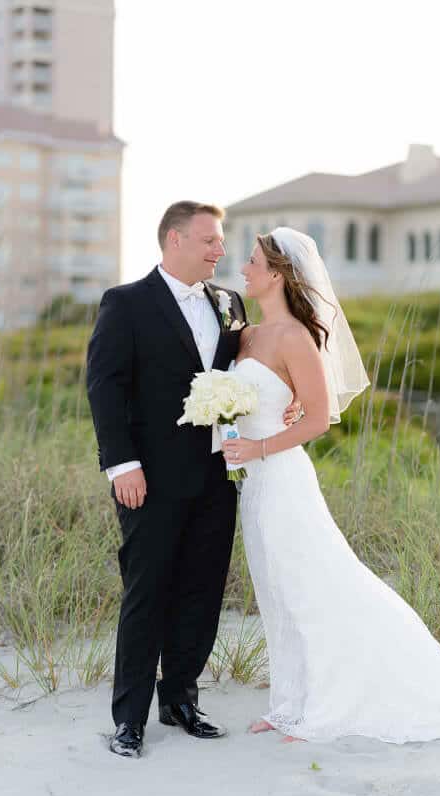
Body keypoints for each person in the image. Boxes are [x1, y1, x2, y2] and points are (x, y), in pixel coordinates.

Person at [220, 227, 440, 744]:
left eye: (254, 261)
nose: (244, 268)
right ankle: (287, 703)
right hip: (252, 487)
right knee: (274, 592)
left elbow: (318, 420)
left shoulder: (296, 339)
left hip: (282, 480)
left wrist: (258, 448)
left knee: (308, 588)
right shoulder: (248, 333)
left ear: (278, 275)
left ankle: (324, 708)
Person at [85, 201, 253, 759]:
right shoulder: (127, 303)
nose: (220, 250)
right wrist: (121, 463)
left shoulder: (229, 304)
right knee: (146, 592)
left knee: (202, 591)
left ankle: (181, 699)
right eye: (209, 240)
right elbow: (104, 385)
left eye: (221, 241)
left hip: (215, 472)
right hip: (149, 478)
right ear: (174, 240)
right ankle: (128, 720)